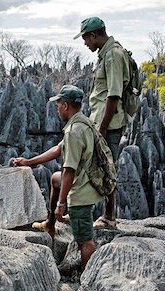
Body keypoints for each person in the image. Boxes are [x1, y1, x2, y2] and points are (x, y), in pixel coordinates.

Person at [10, 85, 102, 274]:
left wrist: (62, 203)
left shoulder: (74, 132)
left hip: (82, 188)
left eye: (58, 104)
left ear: (66, 106)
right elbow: (57, 150)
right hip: (86, 178)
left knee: (85, 239)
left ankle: (87, 285)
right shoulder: (83, 122)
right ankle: (50, 224)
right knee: (55, 178)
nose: (57, 108)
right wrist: (29, 162)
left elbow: (69, 170)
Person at [76, 17, 130, 229]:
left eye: (85, 39)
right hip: (100, 121)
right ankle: (101, 214)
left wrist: (102, 128)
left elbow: (113, 95)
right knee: (98, 166)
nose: (85, 43)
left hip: (109, 124)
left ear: (95, 35)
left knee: (107, 168)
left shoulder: (113, 55)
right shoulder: (106, 54)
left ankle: (109, 217)